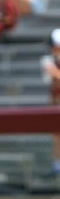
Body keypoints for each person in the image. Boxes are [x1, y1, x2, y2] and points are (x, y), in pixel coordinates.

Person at [40, 28, 60, 176]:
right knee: (57, 135)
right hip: (56, 102)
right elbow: (54, 76)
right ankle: (57, 164)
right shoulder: (47, 60)